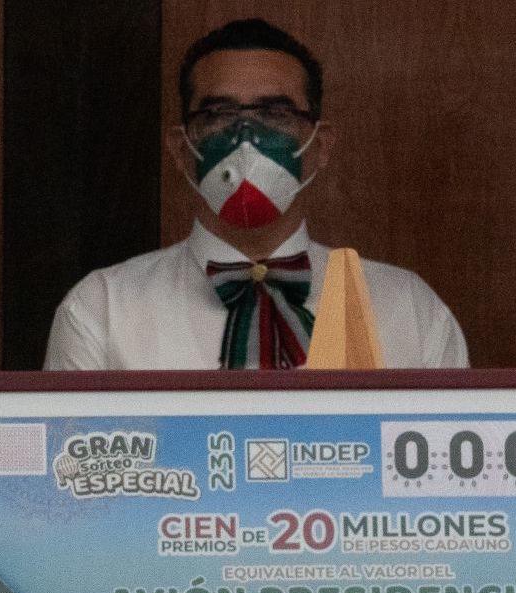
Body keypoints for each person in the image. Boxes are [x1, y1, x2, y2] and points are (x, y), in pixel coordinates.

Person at [45, 17, 468, 370]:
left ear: (320, 146)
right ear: (180, 149)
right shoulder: (101, 311)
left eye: (275, 113)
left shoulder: (410, 311)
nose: (246, 137)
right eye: (218, 113)